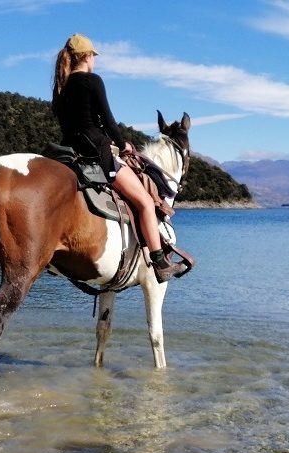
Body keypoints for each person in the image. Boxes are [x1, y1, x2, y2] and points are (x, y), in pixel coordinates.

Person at [51, 34, 187, 283]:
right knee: (145, 202)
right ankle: (159, 262)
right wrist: (122, 144)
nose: (94, 61)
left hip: (70, 151)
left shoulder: (62, 86)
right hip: (97, 152)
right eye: (93, 56)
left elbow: (76, 124)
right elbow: (108, 119)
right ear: (88, 56)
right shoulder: (92, 81)